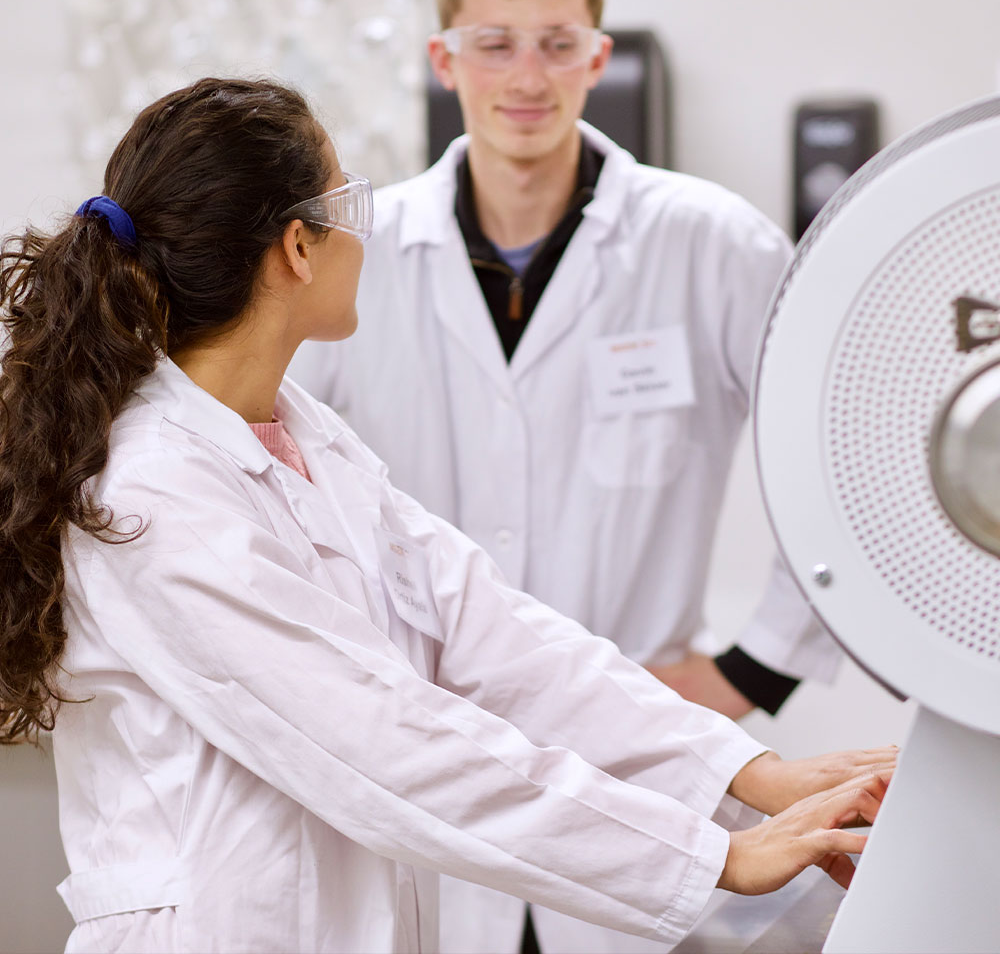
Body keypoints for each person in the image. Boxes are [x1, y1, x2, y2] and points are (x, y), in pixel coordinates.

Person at [0, 77, 891, 954]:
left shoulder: (305, 437)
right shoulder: (155, 489)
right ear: (297, 248)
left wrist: (755, 775)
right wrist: (713, 856)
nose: (368, 231)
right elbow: (380, 742)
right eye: (348, 201)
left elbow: (498, 637)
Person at [286, 0, 847, 948]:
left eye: (556, 46)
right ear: (442, 60)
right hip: (439, 777)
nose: (527, 79)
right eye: (494, 45)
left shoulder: (707, 243)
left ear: (598, 58)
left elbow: (841, 450)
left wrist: (753, 669)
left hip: (645, 772)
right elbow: (273, 470)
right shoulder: (356, 259)